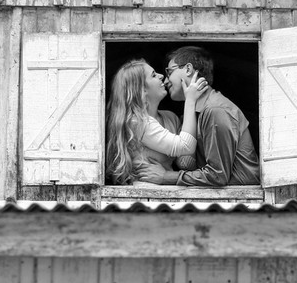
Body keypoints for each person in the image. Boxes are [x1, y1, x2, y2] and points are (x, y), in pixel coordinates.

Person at [134, 46, 261, 187]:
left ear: (188, 69)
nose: (166, 80)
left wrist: (166, 176)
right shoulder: (193, 114)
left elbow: (217, 176)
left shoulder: (215, 110)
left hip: (241, 200)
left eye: (169, 72)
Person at [105, 58, 208, 185]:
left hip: (169, 192)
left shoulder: (170, 118)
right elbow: (185, 146)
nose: (161, 76)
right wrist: (190, 100)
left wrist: (167, 175)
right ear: (142, 90)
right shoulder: (136, 122)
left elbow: (186, 163)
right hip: (143, 194)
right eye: (153, 75)